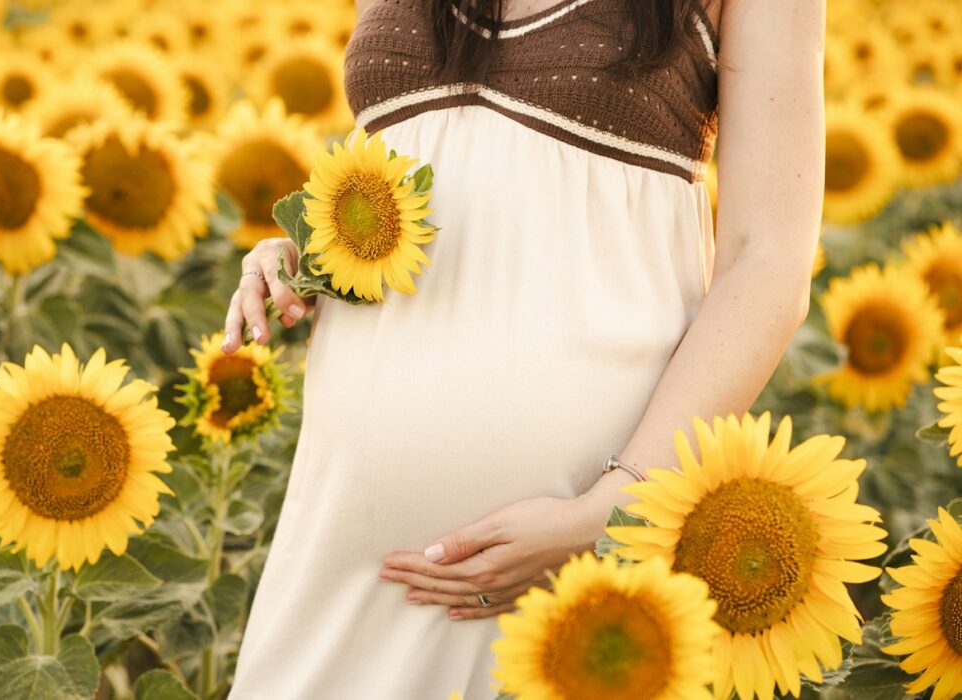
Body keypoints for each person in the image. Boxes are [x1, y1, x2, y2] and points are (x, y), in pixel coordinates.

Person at [220, 0, 824, 696]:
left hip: (561, 575)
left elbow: (768, 263)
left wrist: (611, 511)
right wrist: (306, 253)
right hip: (344, 536)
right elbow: (429, 160)